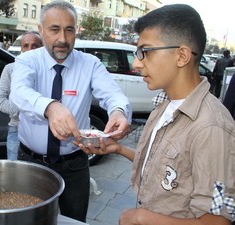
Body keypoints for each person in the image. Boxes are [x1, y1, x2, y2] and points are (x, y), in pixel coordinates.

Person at [77, 4, 235, 225]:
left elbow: (219, 221)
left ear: (181, 56)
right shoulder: (165, 104)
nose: (137, 63)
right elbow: (167, 167)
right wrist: (119, 149)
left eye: (145, 52)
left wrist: (143, 218)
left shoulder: (212, 127)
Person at [9, 0, 131, 222]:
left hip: (74, 164)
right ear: (41, 30)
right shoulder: (27, 61)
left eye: (69, 30)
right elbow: (17, 92)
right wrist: (49, 106)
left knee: (74, 219)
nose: (62, 39)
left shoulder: (90, 64)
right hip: (31, 162)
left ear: (77, 30)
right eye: (54, 30)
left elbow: (114, 94)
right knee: (29, 220)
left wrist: (119, 111)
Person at [0, 31, 43, 160]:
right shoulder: (11, 69)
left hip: (43, 130)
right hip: (17, 128)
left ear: (42, 48)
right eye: (25, 46)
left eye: (34, 46)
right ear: (21, 48)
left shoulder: (48, 71)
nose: (29, 50)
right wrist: (23, 111)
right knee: (15, 175)